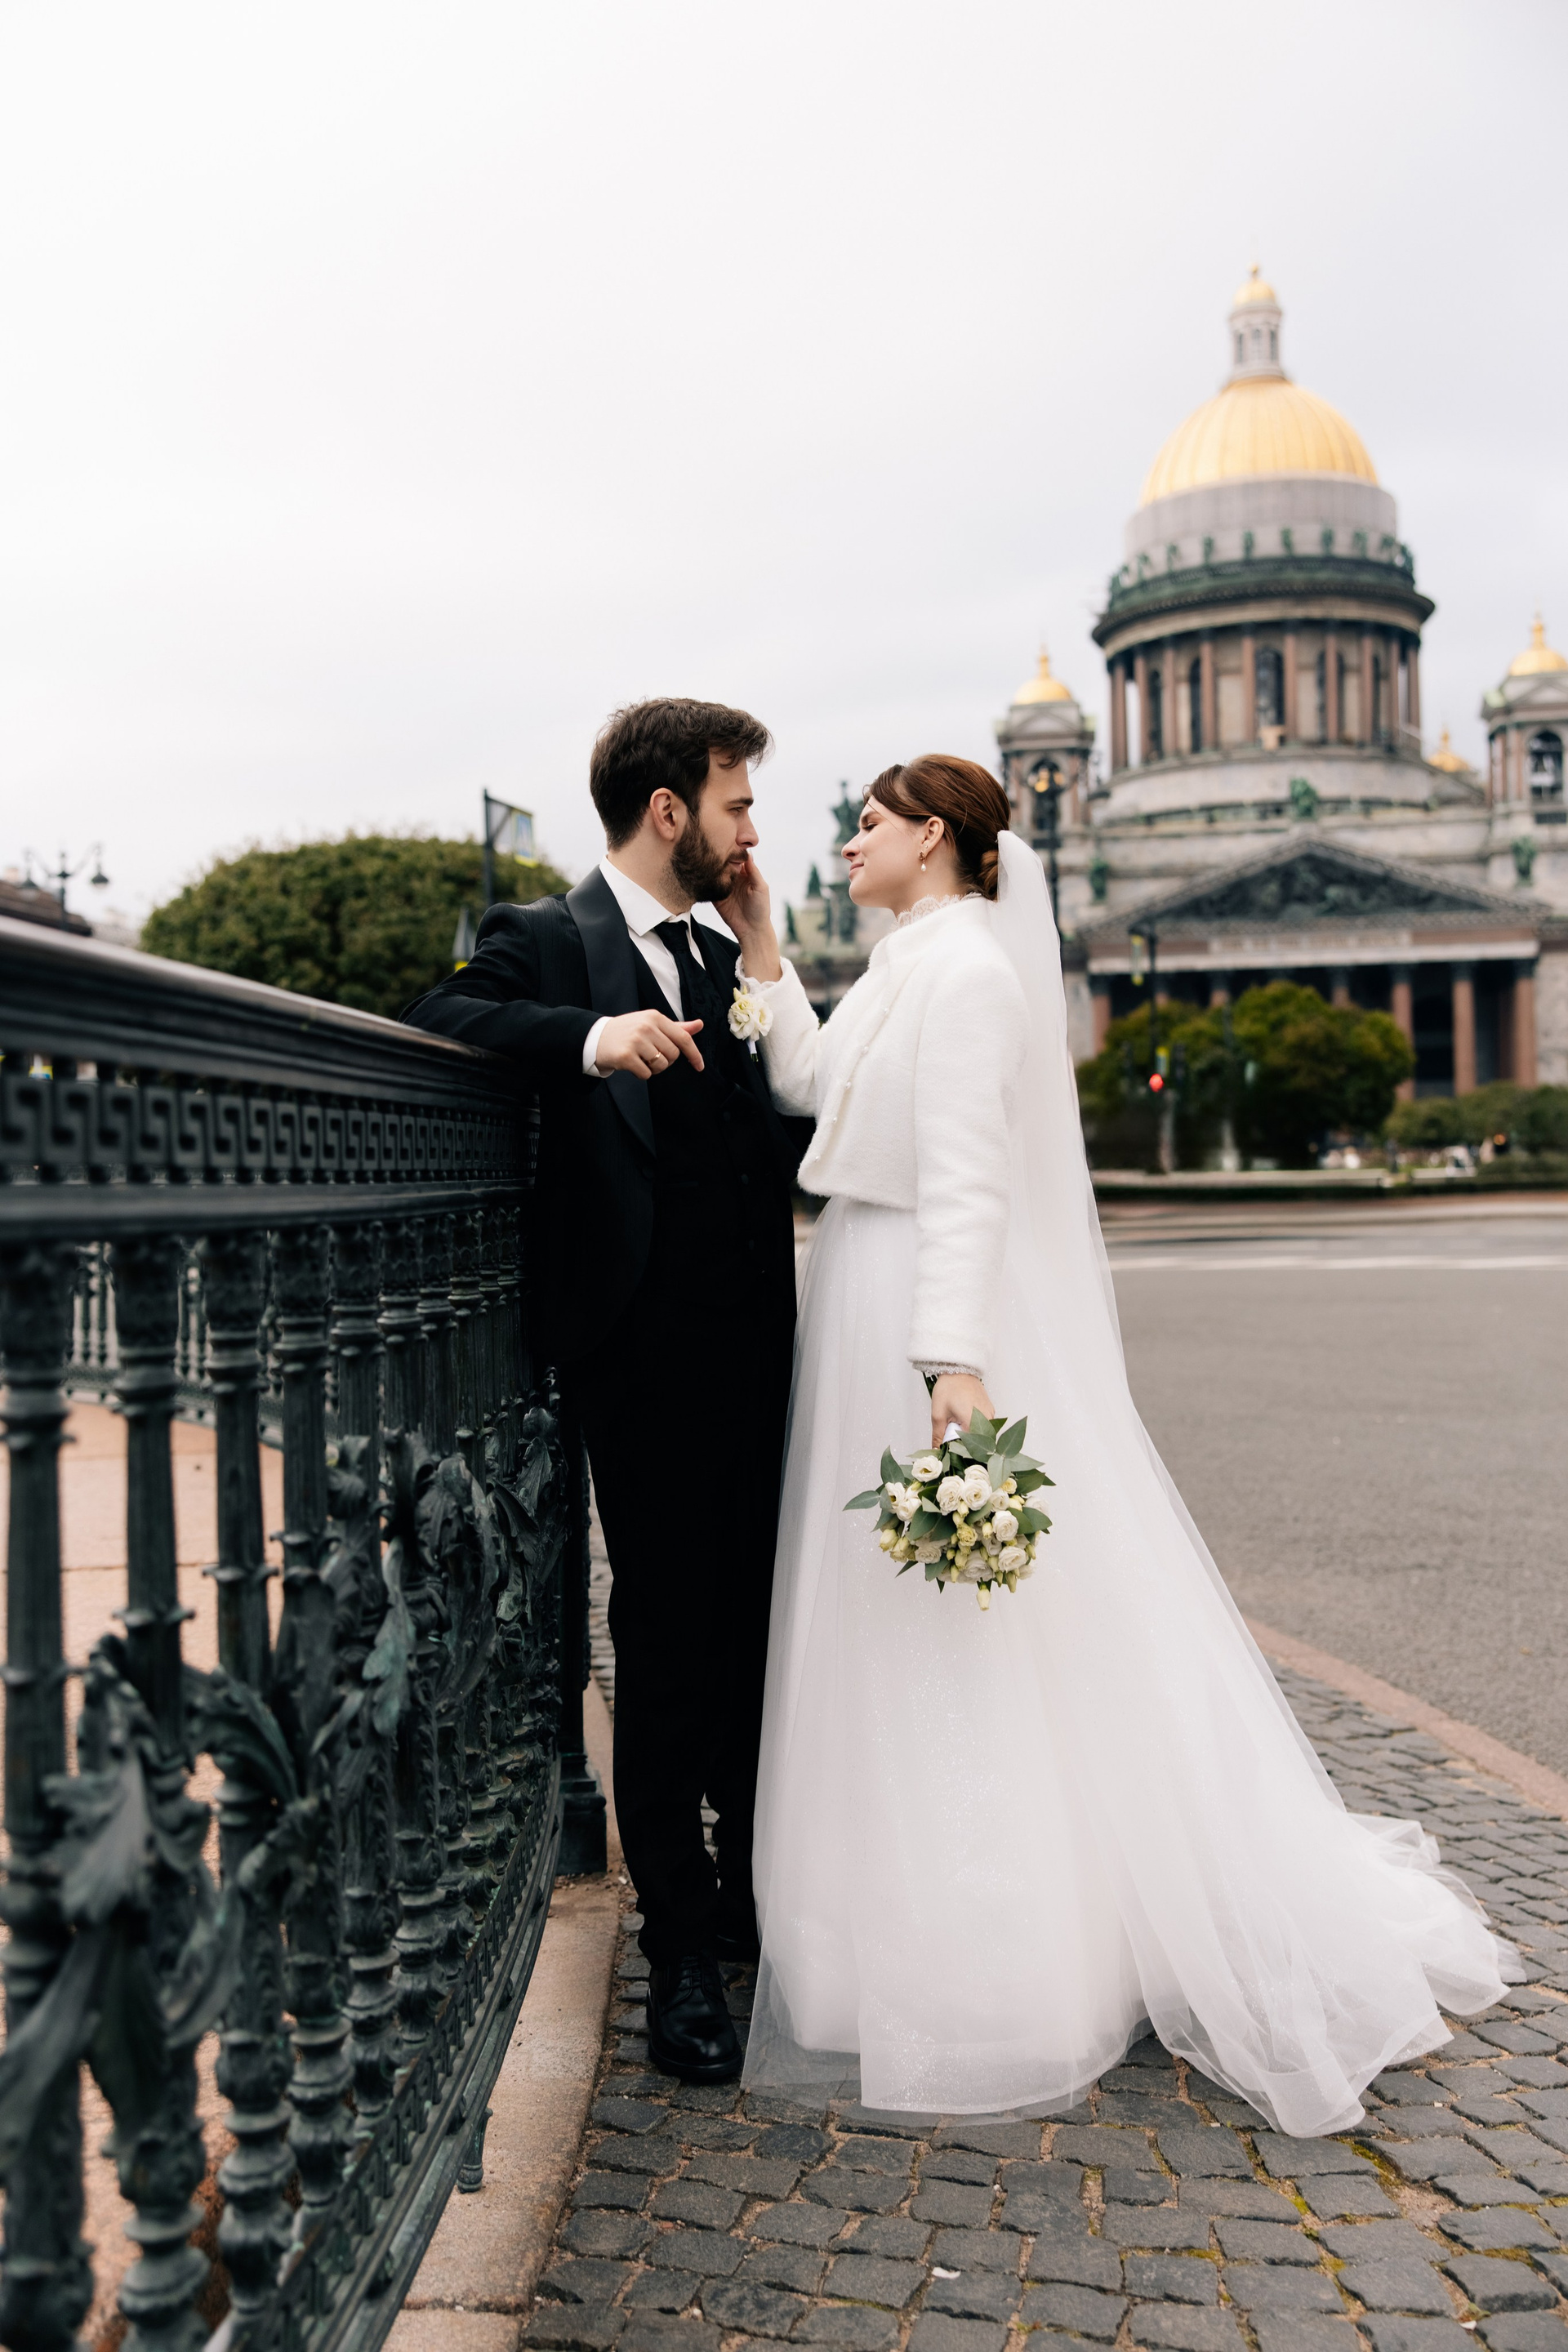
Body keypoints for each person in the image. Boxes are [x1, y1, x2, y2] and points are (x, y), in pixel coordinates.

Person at [716, 752, 1516, 2132]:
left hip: (915, 1304)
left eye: (872, 824)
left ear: (938, 837)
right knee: (887, 1604)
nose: (850, 840)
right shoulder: (906, 958)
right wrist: (765, 949)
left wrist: (949, 1357)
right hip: (863, 1280)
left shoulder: (972, 976)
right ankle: (883, 1916)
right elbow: (809, 1085)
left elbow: (969, 1179)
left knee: (951, 1616)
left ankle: (999, 1938)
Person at [403, 697, 801, 2083]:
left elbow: (794, 1124)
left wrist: (764, 951)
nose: (752, 829)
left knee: (760, 1630)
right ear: (668, 808)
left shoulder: (728, 949)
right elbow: (441, 1014)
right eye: (736, 803)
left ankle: (753, 1901)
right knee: (670, 1639)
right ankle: (679, 1947)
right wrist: (594, 1037)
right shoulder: (550, 934)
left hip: (766, 1351)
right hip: (643, 1355)